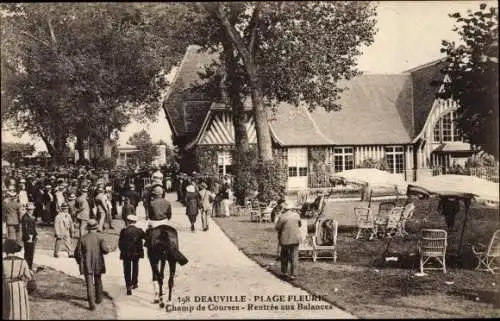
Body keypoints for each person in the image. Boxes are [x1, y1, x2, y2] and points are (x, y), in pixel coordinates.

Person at [74, 219, 110, 311]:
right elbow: (106, 251)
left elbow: (77, 253)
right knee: (98, 281)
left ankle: (91, 303)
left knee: (89, 284)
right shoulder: (100, 237)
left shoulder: (82, 238)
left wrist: (80, 262)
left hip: (87, 264)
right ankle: (99, 298)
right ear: (96, 227)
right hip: (98, 263)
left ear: (88, 228)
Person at [2, 239, 34, 320]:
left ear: (5, 250)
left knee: (6, 308)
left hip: (6, 286)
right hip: (19, 287)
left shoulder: (3, 262)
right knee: (19, 308)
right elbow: (28, 277)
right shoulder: (22, 261)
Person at [118, 215, 145, 295]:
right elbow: (146, 237)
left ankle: (128, 285)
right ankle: (135, 283)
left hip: (126, 252)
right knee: (135, 266)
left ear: (128, 221)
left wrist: (122, 250)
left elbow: (120, 243)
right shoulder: (139, 230)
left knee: (127, 268)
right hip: (136, 252)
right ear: (135, 222)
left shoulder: (123, 231)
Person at [275, 203, 302, 280]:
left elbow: (277, 227)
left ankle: (284, 272)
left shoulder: (282, 216)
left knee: (284, 256)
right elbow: (300, 224)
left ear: (284, 209)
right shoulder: (297, 215)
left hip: (285, 239)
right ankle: (294, 274)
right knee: (294, 256)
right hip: (296, 238)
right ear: (291, 209)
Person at [21, 202, 38, 270]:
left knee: (31, 253)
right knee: (28, 253)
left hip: (32, 236)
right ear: (27, 209)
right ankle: (27, 268)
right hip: (28, 237)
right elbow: (25, 228)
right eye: (31, 209)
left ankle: (29, 267)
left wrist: (36, 234)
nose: (32, 211)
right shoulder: (25, 217)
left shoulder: (31, 217)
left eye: (32, 209)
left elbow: (33, 228)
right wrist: (28, 237)